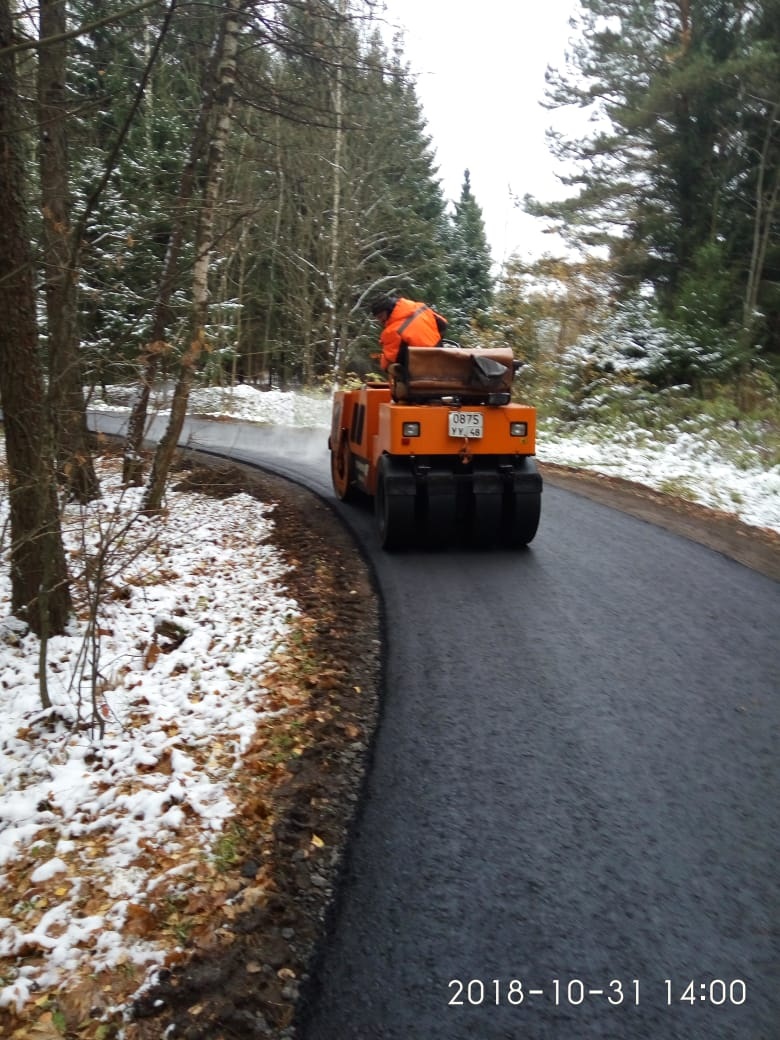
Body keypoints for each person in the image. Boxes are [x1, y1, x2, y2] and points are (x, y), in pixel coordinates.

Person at [369, 293, 448, 372]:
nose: (380, 321)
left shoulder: (392, 331)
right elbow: (443, 324)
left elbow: (390, 359)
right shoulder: (420, 307)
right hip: (440, 359)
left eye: (381, 316)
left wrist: (381, 360)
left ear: (389, 310)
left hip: (419, 371)